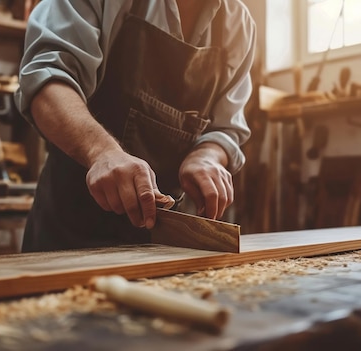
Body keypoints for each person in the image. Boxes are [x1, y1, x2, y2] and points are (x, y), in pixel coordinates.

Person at [14, 0, 256, 252]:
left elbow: (226, 128)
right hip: (69, 235)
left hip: (162, 244)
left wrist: (206, 156)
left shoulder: (239, 23)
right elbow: (45, 81)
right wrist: (102, 152)